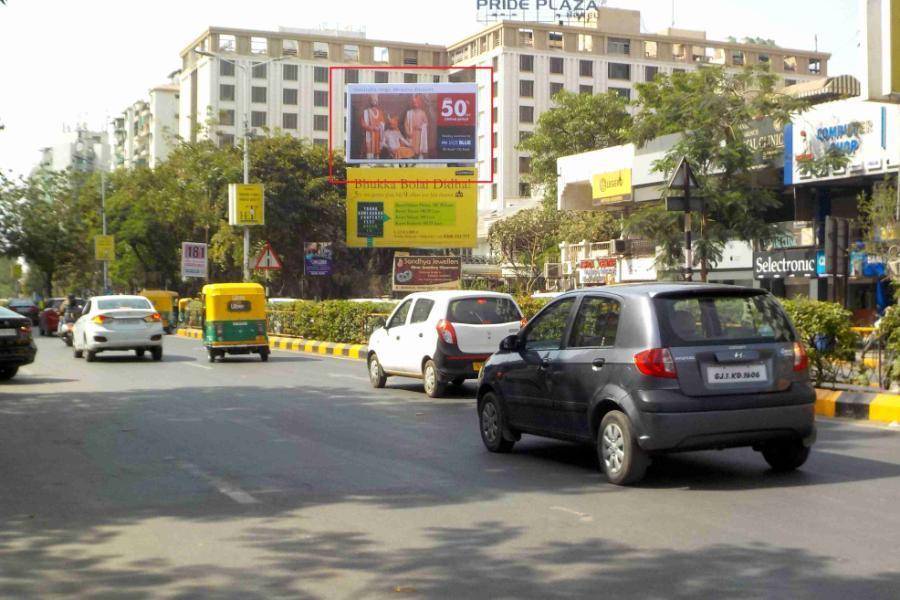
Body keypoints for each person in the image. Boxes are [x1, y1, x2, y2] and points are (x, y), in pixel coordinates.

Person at [403, 94, 429, 159]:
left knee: (419, 147)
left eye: (417, 102)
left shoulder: (422, 113)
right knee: (411, 148)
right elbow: (405, 124)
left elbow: (426, 123)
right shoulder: (409, 113)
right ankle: (411, 158)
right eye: (414, 102)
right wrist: (408, 132)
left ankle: (420, 157)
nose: (415, 104)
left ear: (419, 103)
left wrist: (420, 127)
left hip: (419, 134)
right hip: (411, 133)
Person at [360, 94, 385, 160]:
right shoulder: (365, 112)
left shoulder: (380, 112)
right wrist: (372, 128)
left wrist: (379, 127)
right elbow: (363, 124)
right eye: (373, 100)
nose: (374, 101)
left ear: (377, 102)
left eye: (376, 100)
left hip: (378, 136)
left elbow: (382, 123)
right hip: (369, 136)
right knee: (369, 153)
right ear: (370, 101)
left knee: (377, 155)